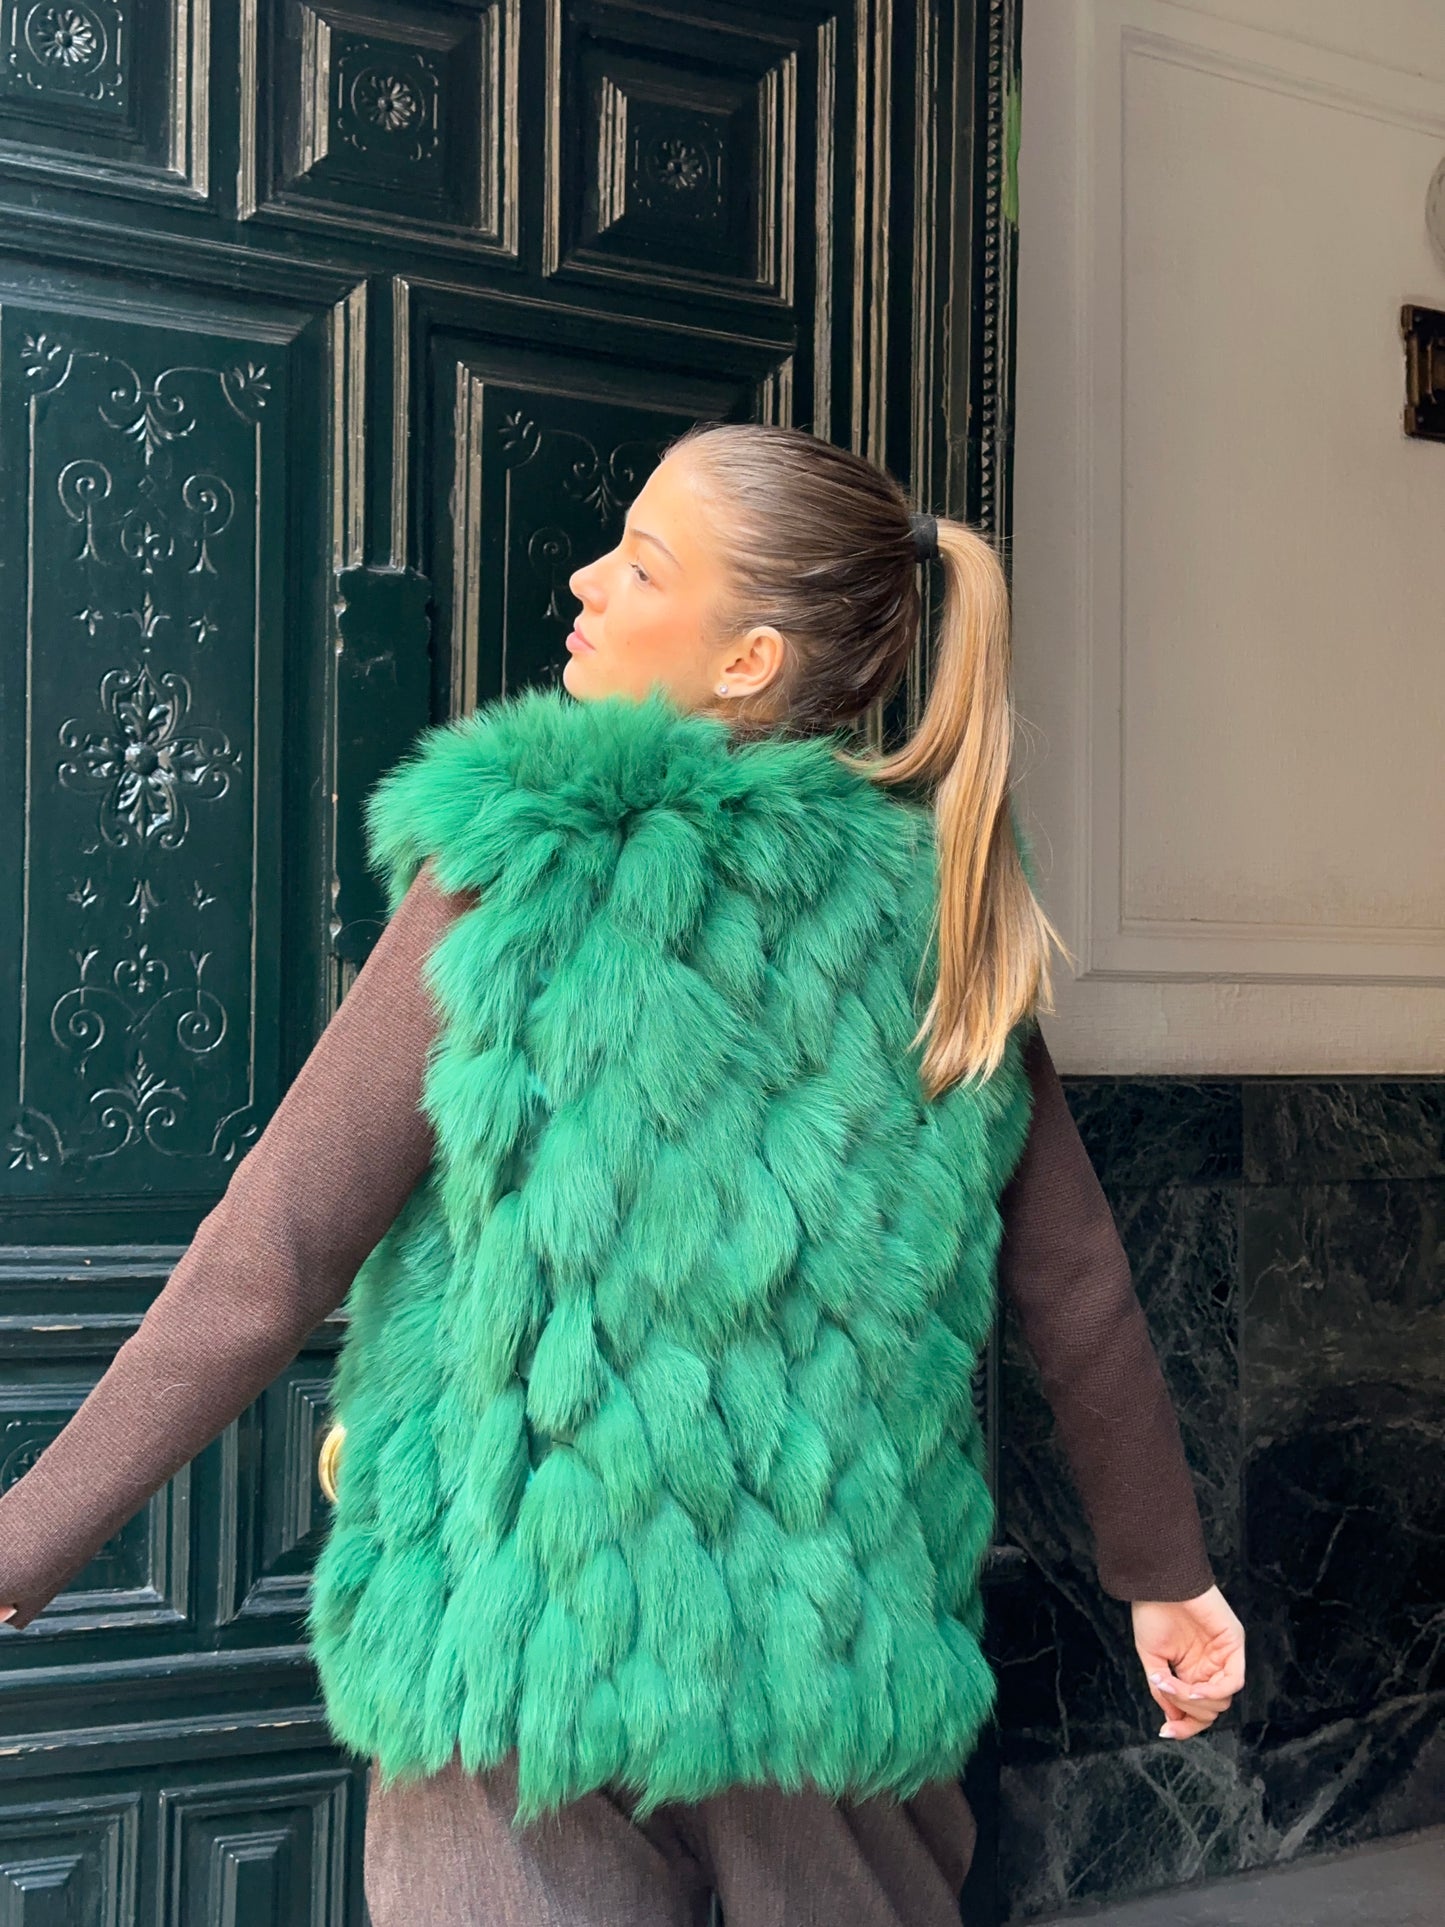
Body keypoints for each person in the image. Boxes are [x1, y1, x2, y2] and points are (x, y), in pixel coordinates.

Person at [0, 422, 1245, 1925]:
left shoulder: (522, 861)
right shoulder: (947, 912)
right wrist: (1163, 1572)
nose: (586, 580)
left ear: (747, 660)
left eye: (642, 565)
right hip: (823, 1647)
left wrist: (26, 1540)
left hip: (529, 1630)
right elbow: (1076, 1283)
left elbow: (278, 1245)